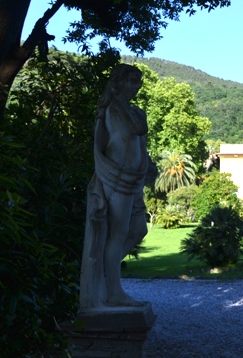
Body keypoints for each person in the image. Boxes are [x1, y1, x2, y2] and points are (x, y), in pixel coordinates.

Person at [80, 64, 157, 309]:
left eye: (138, 83)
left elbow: (140, 140)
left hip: (135, 178)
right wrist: (117, 98)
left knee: (138, 230)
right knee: (118, 233)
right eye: (131, 81)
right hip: (117, 177)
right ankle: (114, 291)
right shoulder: (112, 108)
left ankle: (104, 273)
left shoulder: (135, 110)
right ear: (118, 82)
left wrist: (149, 166)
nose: (135, 87)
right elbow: (136, 129)